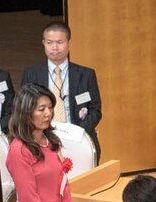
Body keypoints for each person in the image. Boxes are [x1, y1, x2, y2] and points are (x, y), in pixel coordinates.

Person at [22, 21, 101, 151]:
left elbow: (95, 110)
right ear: (43, 44)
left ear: (69, 44)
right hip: (42, 139)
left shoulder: (86, 74)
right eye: (49, 43)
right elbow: (24, 109)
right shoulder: (31, 74)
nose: (55, 48)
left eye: (60, 42)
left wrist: (78, 132)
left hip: (79, 138)